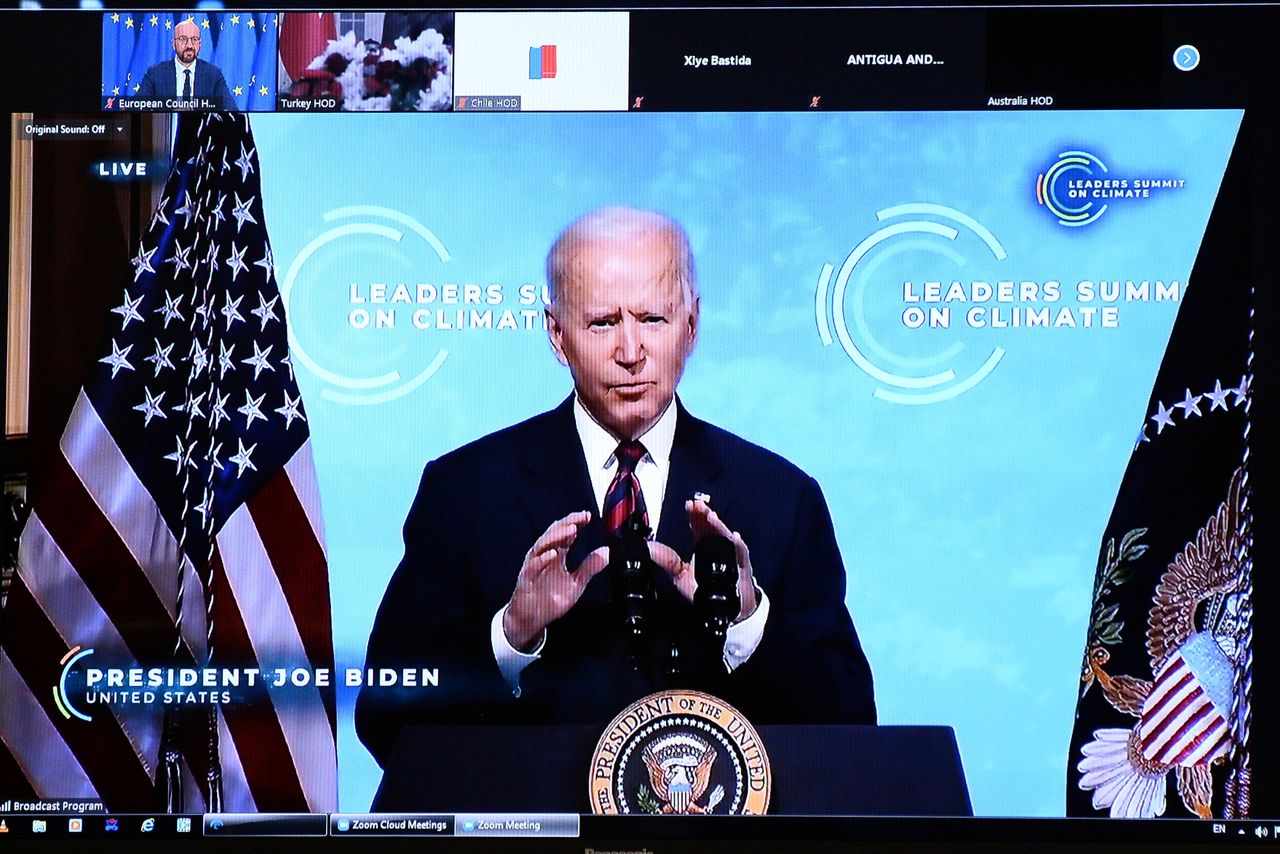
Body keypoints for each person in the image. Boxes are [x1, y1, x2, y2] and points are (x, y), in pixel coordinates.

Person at [356, 207, 876, 769]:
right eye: (604, 323)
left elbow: (850, 727)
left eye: (653, 319)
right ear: (557, 335)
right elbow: (386, 720)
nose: (631, 352)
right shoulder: (464, 492)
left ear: (692, 326)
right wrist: (511, 635)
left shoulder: (781, 497)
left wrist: (747, 623)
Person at [137, 19, 236, 110]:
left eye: (194, 39)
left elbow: (231, 109)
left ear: (200, 44)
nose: (189, 45)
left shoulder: (213, 74)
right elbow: (137, 107)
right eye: (183, 39)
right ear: (173, 44)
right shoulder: (156, 73)